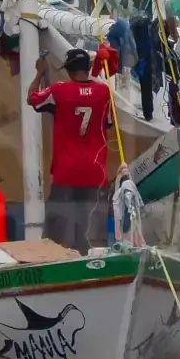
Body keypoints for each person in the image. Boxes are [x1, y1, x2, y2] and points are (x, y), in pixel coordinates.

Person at [28, 48, 114, 254]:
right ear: (86, 68)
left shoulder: (59, 91)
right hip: (95, 173)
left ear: (68, 70)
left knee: (55, 239)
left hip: (65, 173)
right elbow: (108, 123)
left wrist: (39, 73)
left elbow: (32, 98)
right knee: (92, 239)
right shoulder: (104, 93)